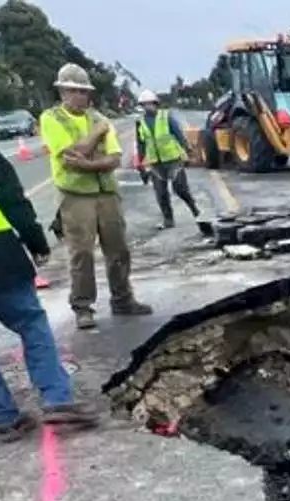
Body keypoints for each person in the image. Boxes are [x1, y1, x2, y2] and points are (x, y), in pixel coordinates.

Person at [0, 143, 100, 441]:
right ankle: (57, 400)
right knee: (31, 323)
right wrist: (36, 242)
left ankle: (5, 418)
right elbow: (10, 199)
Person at [39, 63, 152, 331]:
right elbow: (69, 157)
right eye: (75, 91)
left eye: (84, 91)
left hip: (106, 192)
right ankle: (82, 306)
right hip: (76, 195)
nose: (82, 97)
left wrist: (88, 161)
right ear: (63, 92)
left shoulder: (98, 117)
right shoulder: (53, 118)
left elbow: (113, 158)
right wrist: (96, 137)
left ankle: (123, 299)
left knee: (118, 249)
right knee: (82, 252)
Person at [134, 89, 202, 230]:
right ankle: (168, 220)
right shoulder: (140, 123)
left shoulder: (166, 117)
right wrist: (140, 165)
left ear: (156, 104)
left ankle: (196, 211)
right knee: (161, 194)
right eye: (144, 105)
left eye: (150, 104)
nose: (147, 107)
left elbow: (179, 135)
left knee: (181, 189)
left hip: (173, 160)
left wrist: (188, 151)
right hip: (155, 163)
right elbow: (141, 144)